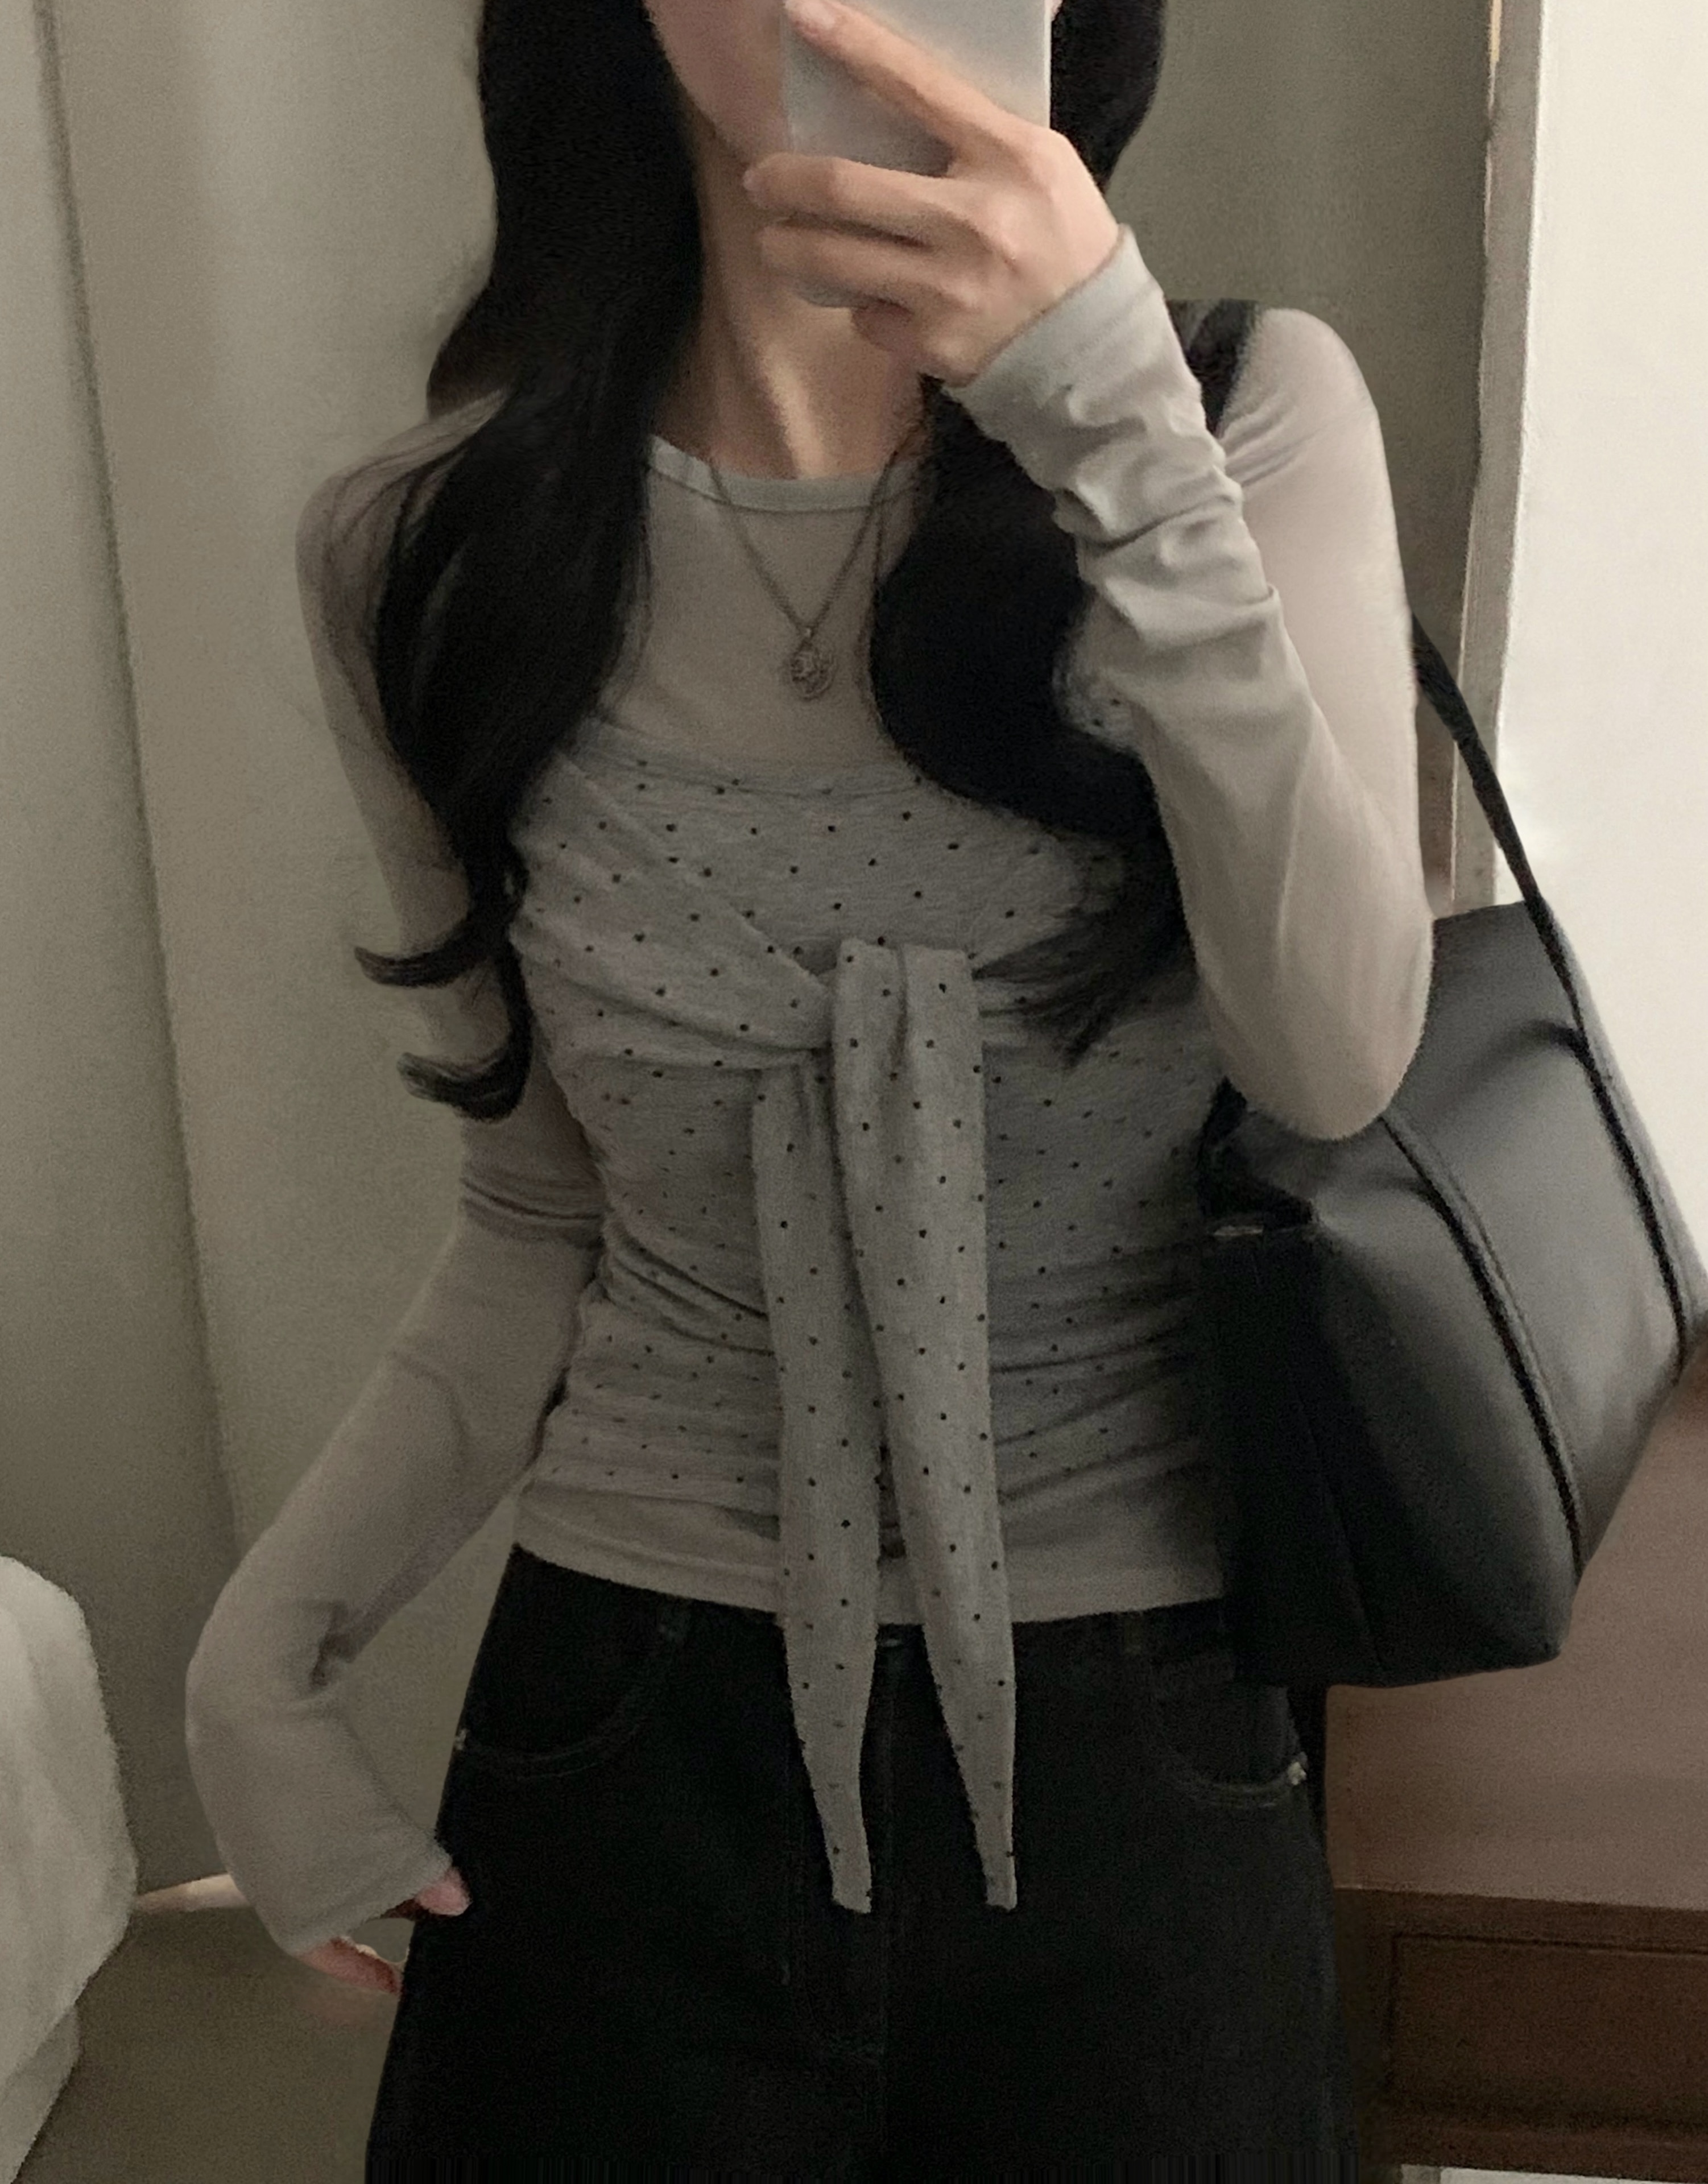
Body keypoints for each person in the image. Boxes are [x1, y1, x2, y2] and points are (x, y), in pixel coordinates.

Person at [186, 0, 1436, 2168]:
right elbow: (539, 1218)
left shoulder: (1238, 418)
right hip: (626, 1729)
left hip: (1137, 1722)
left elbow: (1330, 1054)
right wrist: (260, 1664)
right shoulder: (429, 553)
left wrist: (1104, 413)